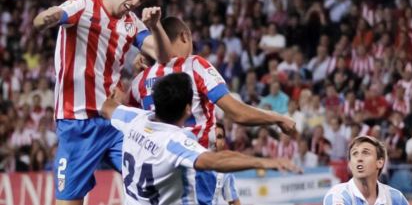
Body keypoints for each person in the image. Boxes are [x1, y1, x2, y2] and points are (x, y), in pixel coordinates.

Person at [33, 0, 173, 205]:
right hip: (76, 124)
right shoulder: (84, 6)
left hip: (113, 121)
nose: (137, 1)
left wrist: (155, 26)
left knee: (154, 181)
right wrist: (48, 18)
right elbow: (50, 16)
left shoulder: (132, 23)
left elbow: (163, 56)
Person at [101, 72, 296, 205]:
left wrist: (114, 94)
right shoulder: (174, 142)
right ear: (188, 109)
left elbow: (106, 106)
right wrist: (265, 162)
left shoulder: (131, 119)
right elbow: (216, 160)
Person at [129, 16, 297, 149]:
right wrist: (277, 118)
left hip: (160, 168)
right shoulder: (194, 65)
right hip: (197, 165)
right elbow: (238, 113)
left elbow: (132, 125)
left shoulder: (140, 80)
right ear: (184, 36)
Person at [323, 136, 409, 205]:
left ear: (380, 162)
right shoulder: (338, 195)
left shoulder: (396, 198)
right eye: (355, 154)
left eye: (366, 153)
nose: (359, 158)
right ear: (350, 165)